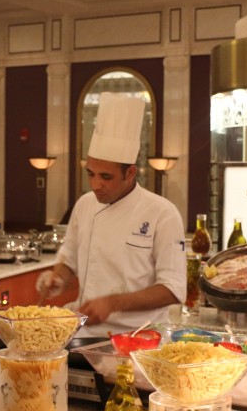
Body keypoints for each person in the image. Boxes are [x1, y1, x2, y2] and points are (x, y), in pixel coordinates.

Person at [36, 93, 187, 334]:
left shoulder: (162, 213)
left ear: (130, 173)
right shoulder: (85, 205)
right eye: (91, 174)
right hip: (82, 331)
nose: (95, 185)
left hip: (138, 337)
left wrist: (112, 303)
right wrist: (58, 278)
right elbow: (70, 259)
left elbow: (173, 290)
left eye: (106, 177)